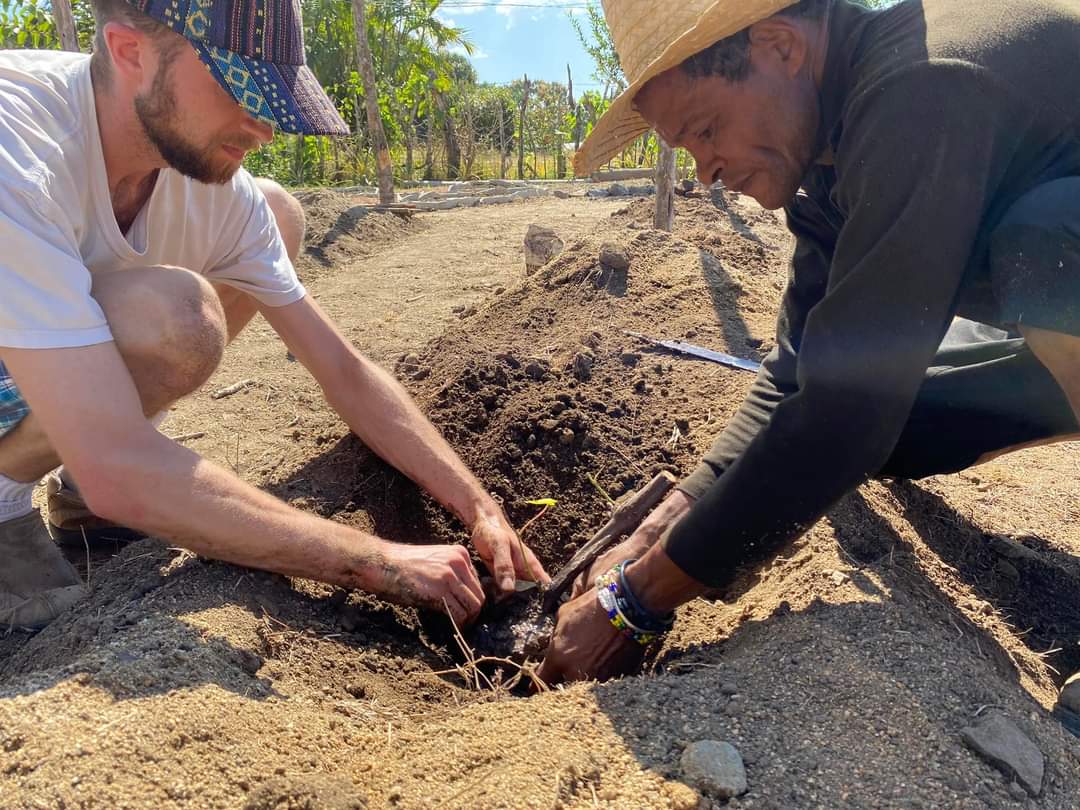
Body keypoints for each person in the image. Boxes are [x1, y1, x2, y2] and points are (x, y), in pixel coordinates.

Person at [539, 0, 1080, 735]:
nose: (705, 174)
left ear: (780, 47)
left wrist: (634, 600)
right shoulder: (829, 157)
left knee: (1041, 241)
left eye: (703, 131)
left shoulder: (915, 94)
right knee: (892, 423)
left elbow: (843, 421)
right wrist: (664, 523)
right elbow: (799, 376)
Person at [0, 0, 547, 631]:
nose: (264, 128)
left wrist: (475, 502)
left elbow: (343, 369)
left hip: (40, 363)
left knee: (272, 211)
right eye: (240, 91)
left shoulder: (213, 191)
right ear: (130, 53)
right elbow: (117, 470)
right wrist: (377, 561)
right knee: (178, 317)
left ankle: (73, 488)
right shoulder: (21, 147)